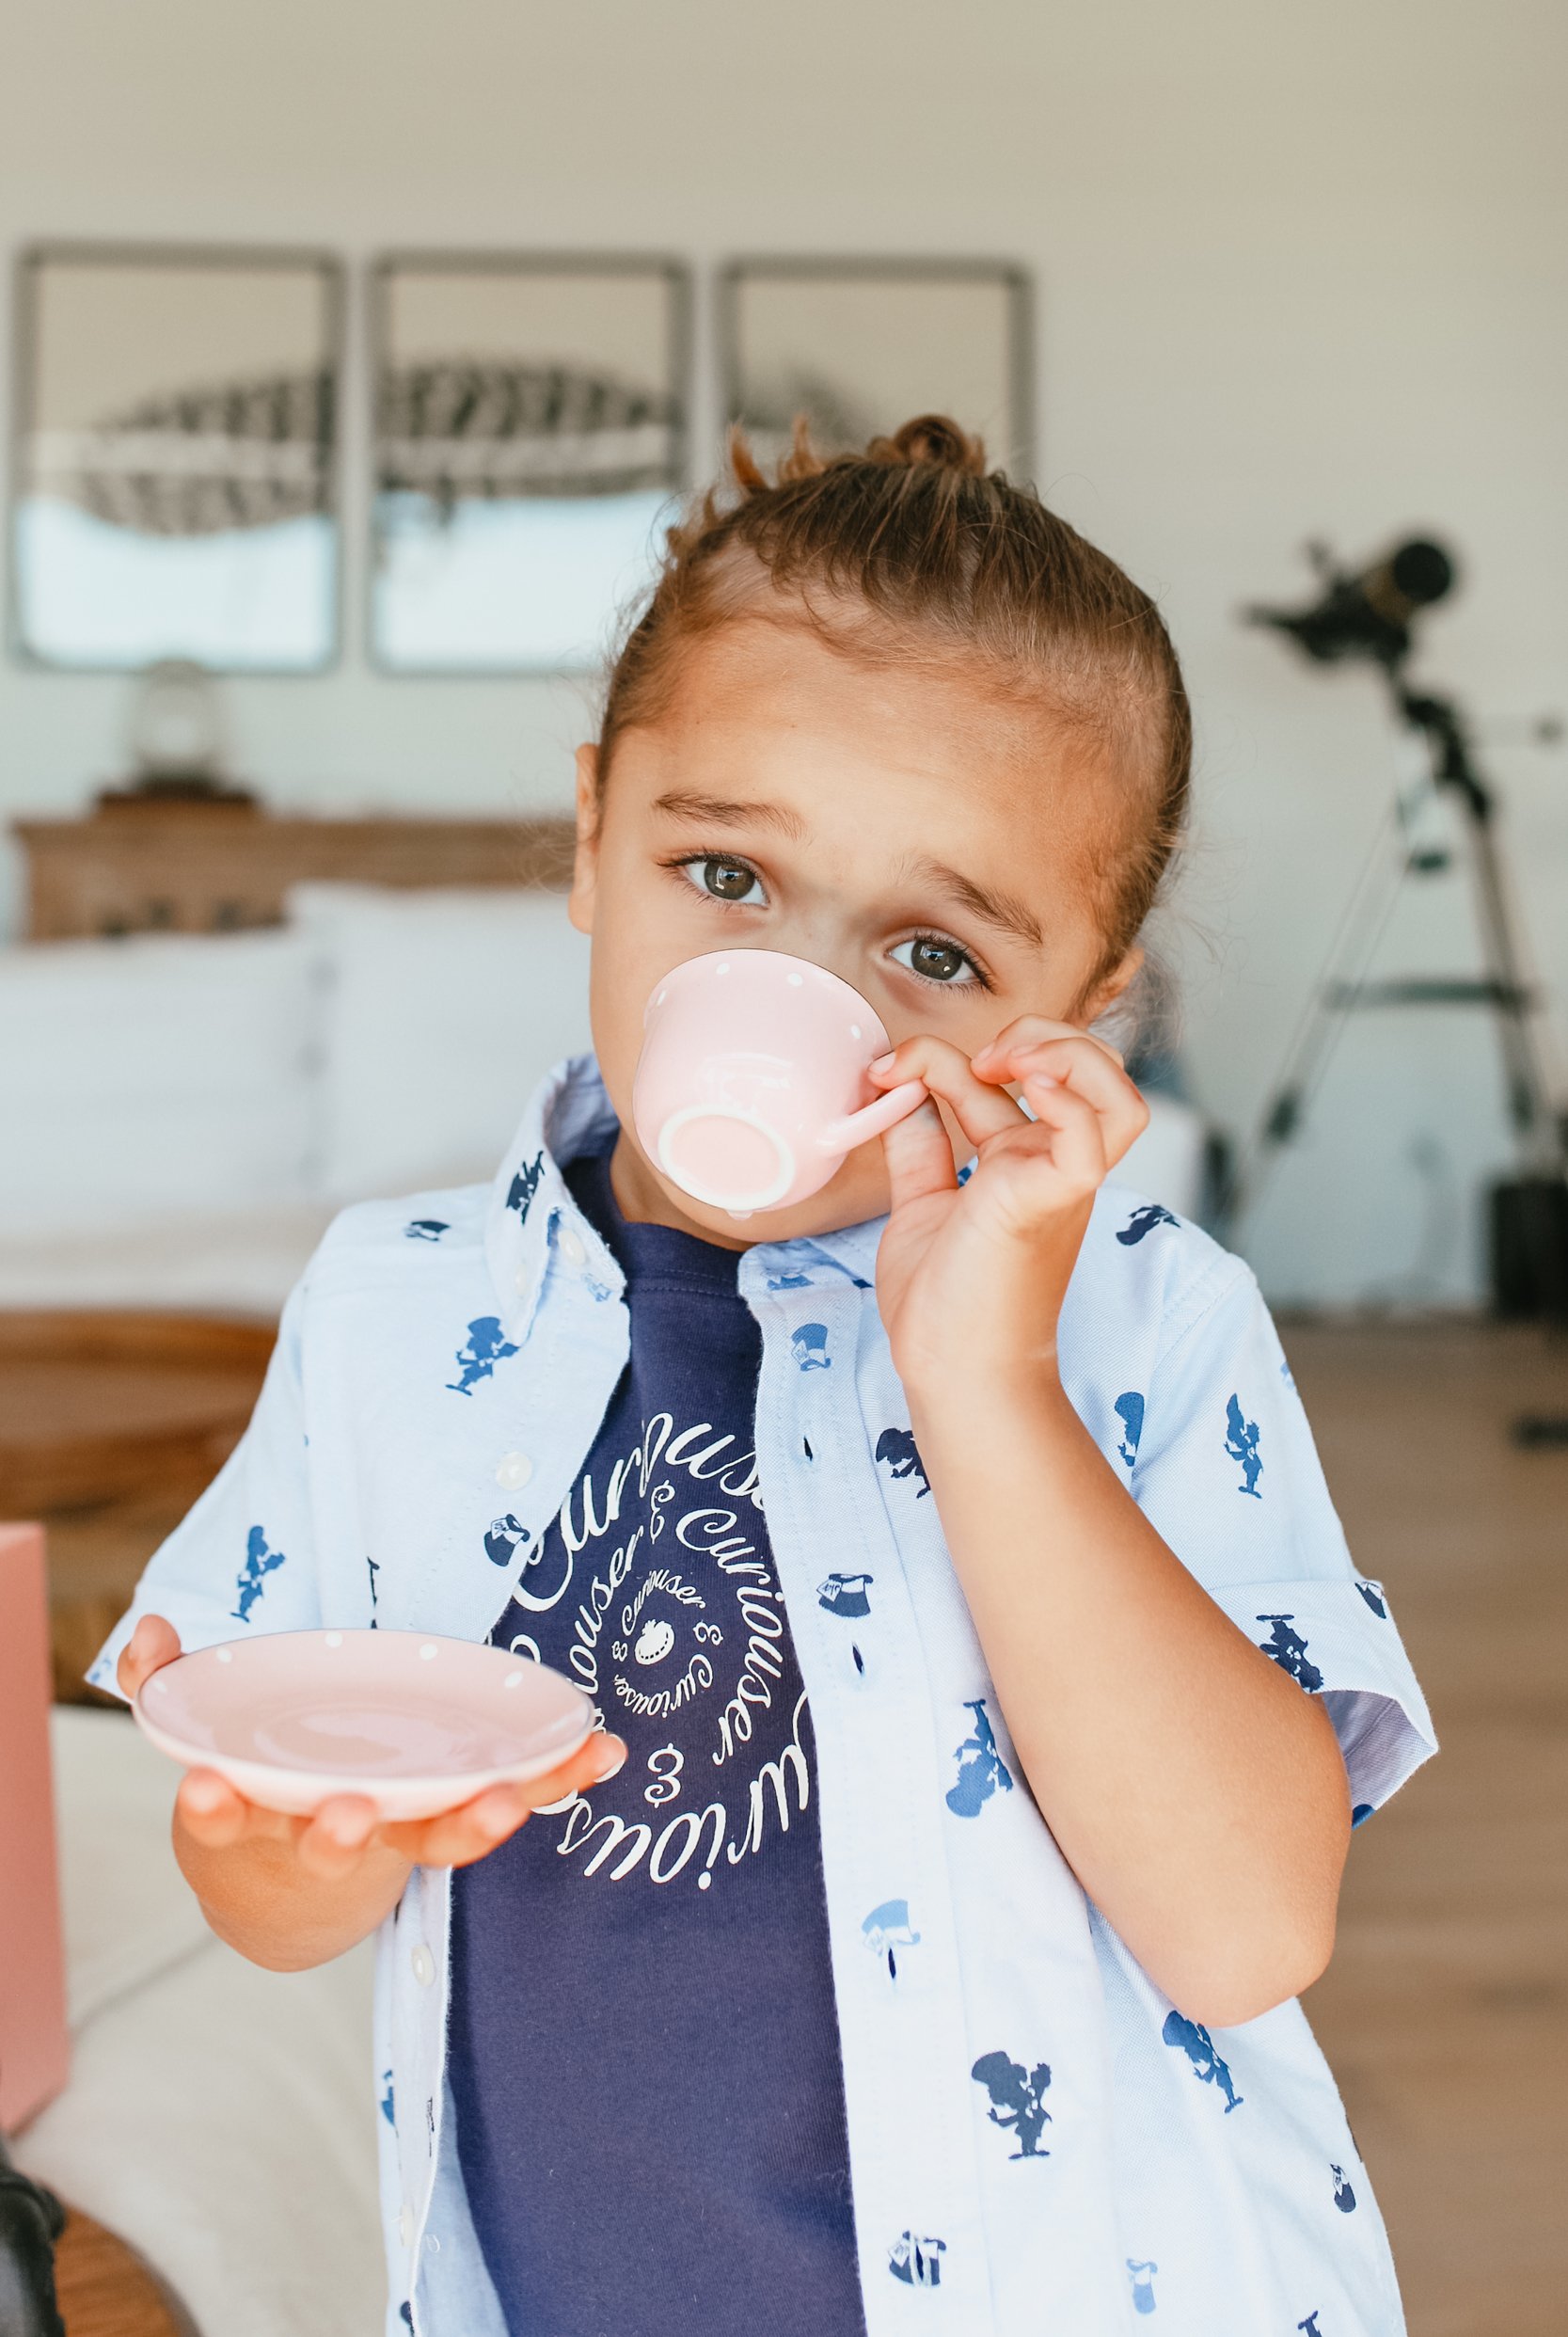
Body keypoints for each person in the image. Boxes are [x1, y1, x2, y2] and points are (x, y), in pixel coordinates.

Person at [93, 415, 1435, 2337]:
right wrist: (282, 1852)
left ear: (1088, 999)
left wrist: (988, 1383)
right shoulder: (389, 1308)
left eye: (933, 947)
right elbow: (287, 1903)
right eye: (725, 871)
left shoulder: (1148, 1310)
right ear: (587, 838)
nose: (808, 994)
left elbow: (1243, 1933)